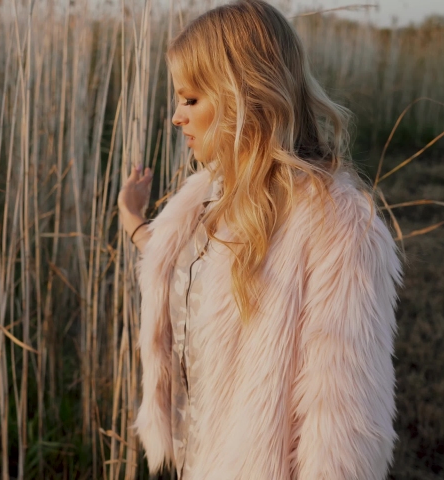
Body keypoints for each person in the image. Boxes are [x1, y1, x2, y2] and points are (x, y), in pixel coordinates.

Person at [117, 1, 404, 479]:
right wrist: (132, 217)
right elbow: (188, 268)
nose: (175, 118)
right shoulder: (212, 194)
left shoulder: (336, 227)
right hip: (195, 458)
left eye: (190, 100)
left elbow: (343, 422)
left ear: (241, 97)